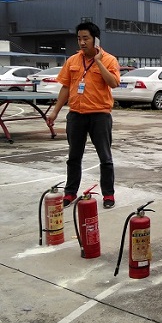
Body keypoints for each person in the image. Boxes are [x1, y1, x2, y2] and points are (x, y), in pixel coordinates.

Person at [46, 22, 120, 209]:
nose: (82, 42)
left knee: (105, 157)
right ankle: (70, 193)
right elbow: (65, 87)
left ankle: (108, 194)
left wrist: (99, 62)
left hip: (100, 116)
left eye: (86, 38)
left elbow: (113, 83)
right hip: (76, 115)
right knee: (73, 157)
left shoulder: (109, 60)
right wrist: (55, 111)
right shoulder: (72, 60)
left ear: (96, 40)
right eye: (79, 38)